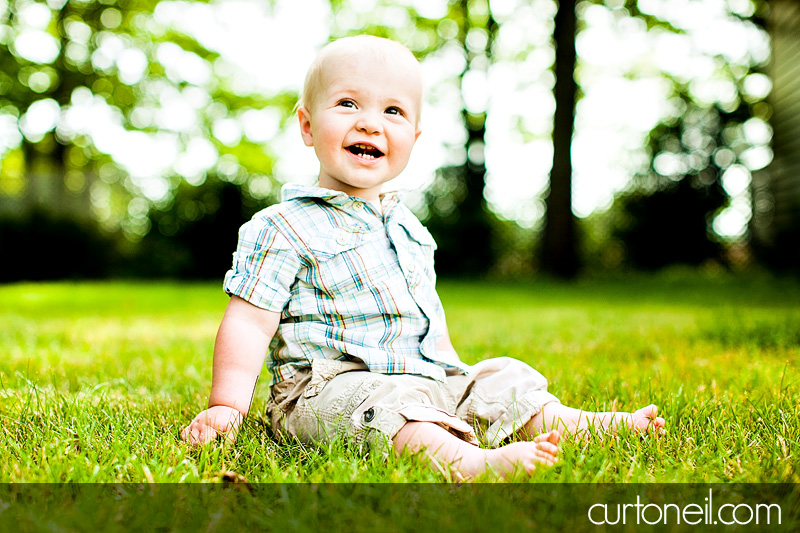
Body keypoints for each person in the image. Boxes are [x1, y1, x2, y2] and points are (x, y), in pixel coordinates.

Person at [181, 35, 665, 480]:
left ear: (413, 138)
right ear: (308, 125)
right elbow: (248, 322)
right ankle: (473, 463)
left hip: (423, 376)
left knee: (498, 377)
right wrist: (227, 405)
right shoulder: (282, 226)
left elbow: (424, 318)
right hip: (326, 389)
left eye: (393, 111)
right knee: (386, 406)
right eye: (347, 103)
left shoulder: (408, 227)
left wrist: (455, 380)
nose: (369, 121)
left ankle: (585, 425)